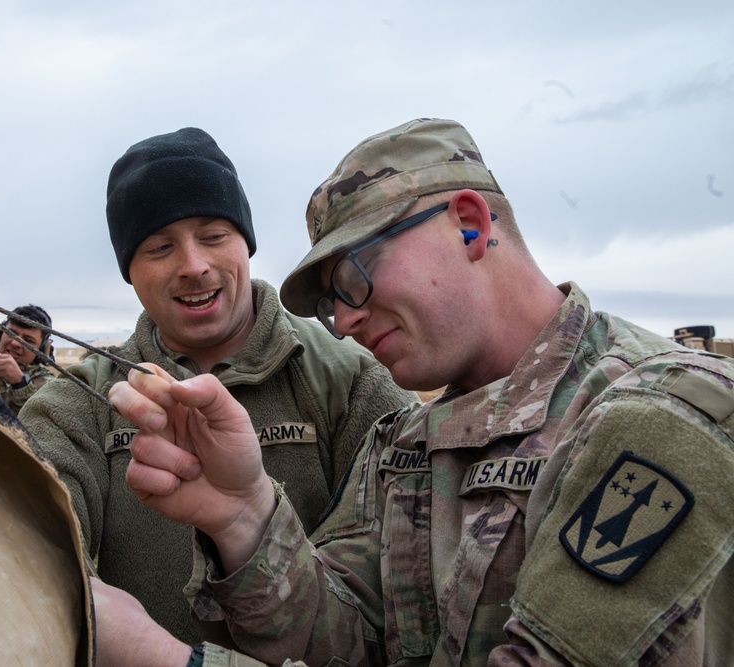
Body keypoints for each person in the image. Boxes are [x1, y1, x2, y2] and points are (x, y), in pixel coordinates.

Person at [97, 118, 734, 666]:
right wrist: (243, 516)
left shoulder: (660, 415)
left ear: (467, 224)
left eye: (351, 278)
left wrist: (165, 659)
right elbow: (343, 640)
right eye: (328, 301)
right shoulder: (403, 444)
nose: (342, 321)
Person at [19, 127, 416, 643]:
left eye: (213, 236)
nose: (193, 266)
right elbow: (28, 548)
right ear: (130, 271)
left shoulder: (352, 379)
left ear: (245, 242)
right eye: (160, 247)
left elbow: (407, 583)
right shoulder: (79, 404)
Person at [0, 304, 56, 415]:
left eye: (28, 340)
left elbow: (39, 423)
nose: (15, 343)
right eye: (11, 333)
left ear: (41, 349)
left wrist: (20, 384)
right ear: (0, 333)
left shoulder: (49, 386)